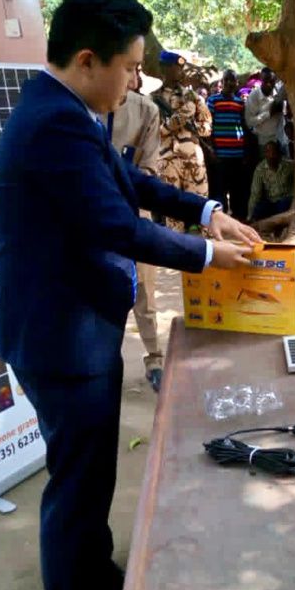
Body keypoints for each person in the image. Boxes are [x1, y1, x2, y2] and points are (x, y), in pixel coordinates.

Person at [0, 0, 261, 590]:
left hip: (74, 327)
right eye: (130, 68)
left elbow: (133, 186)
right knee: (79, 480)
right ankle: (76, 588)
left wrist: (207, 210)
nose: (135, 83)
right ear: (88, 60)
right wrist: (206, 255)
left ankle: (90, 571)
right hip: (62, 337)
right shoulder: (53, 124)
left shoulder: (71, 111)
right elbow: (115, 225)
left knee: (89, 473)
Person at [109, 70, 165, 391]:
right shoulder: (80, 110)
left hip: (133, 211)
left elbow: (149, 170)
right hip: (92, 216)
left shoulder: (146, 111)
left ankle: (155, 359)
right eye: (124, 66)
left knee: (144, 290)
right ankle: (104, 363)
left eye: (134, 68)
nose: (130, 76)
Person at [151, 51, 212, 232]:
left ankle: (206, 252)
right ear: (165, 69)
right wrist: (178, 120)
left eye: (181, 68)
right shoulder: (153, 99)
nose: (180, 72)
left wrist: (194, 126)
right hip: (167, 160)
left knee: (201, 209)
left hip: (193, 159)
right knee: (173, 215)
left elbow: (207, 128)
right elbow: (154, 132)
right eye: (176, 68)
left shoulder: (193, 98)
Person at [206, 69, 249, 220]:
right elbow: (208, 127)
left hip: (237, 154)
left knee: (237, 189)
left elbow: (243, 127)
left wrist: (244, 152)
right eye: (227, 80)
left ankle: (237, 219)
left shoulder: (240, 103)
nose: (230, 83)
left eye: (233, 80)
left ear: (237, 83)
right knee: (220, 189)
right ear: (222, 82)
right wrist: (211, 149)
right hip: (220, 154)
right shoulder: (212, 101)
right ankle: (220, 220)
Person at [248, 141, 295, 221]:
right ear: (265, 154)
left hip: (285, 200)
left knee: (284, 205)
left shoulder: (288, 165)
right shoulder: (260, 169)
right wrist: (250, 215)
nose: (271, 156)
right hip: (271, 201)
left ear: (279, 154)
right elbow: (255, 193)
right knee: (259, 210)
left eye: (274, 152)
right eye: (268, 152)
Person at [244, 66, 287, 147]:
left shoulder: (279, 92)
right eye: (265, 81)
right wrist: (269, 113)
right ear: (261, 78)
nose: (268, 84)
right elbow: (249, 121)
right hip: (263, 142)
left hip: (280, 140)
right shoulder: (254, 96)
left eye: (271, 81)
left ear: (275, 80)